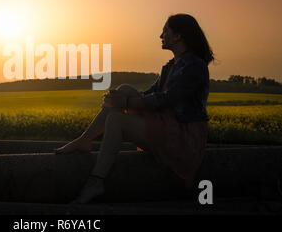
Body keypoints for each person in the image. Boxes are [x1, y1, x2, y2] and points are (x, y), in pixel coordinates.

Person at [54, 13, 214, 204]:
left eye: (165, 30)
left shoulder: (194, 65)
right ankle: (84, 140)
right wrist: (120, 98)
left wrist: (125, 104)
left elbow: (166, 100)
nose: (161, 35)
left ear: (178, 36)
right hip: (167, 125)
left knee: (116, 119)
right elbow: (149, 95)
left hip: (182, 135)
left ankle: (96, 181)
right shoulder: (171, 65)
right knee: (124, 90)